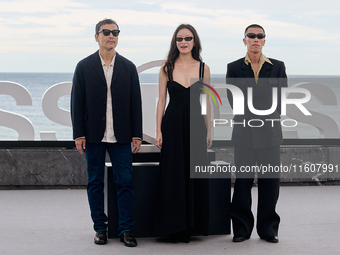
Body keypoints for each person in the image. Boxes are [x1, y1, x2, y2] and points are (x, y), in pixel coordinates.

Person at [71, 18, 142, 247]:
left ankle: (125, 229)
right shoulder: (83, 66)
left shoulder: (128, 67)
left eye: (115, 32)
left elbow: (135, 103)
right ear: (96, 36)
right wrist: (78, 134)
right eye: (106, 32)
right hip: (93, 135)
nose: (111, 36)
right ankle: (100, 228)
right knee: (94, 182)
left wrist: (137, 134)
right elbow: (77, 103)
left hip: (121, 136)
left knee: (125, 182)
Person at [226, 24, 287, 243]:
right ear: (244, 40)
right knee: (242, 182)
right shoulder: (233, 68)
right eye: (251, 36)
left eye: (260, 36)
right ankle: (241, 229)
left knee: (270, 182)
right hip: (244, 134)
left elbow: (279, 102)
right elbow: (235, 101)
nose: (255, 39)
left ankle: (268, 228)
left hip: (270, 134)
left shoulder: (278, 67)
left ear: (264, 40)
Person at [154, 24, 212, 243]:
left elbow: (206, 100)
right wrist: (158, 130)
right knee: (173, 174)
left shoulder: (203, 68)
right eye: (179, 39)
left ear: (194, 41)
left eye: (188, 38)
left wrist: (209, 129)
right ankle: (174, 225)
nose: (184, 42)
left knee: (195, 172)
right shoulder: (166, 68)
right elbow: (161, 101)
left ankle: (192, 225)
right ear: (175, 42)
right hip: (172, 125)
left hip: (197, 125)